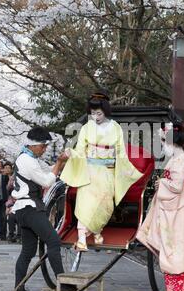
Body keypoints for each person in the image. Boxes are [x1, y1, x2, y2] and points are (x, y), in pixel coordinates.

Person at [60, 91, 143, 251]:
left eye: (98, 113)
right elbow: (80, 149)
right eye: (92, 113)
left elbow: (121, 153)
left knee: (104, 205)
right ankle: (82, 238)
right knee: (85, 203)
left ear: (105, 111)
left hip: (107, 170)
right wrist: (72, 153)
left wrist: (126, 170)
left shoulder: (116, 128)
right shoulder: (86, 127)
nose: (95, 116)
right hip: (89, 171)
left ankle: (96, 230)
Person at [136, 111, 184, 291]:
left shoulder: (178, 161)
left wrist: (161, 183)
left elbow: (175, 187)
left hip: (176, 215)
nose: (162, 146)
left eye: (163, 141)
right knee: (172, 256)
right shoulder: (178, 160)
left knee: (176, 257)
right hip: (175, 214)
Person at [11, 126, 69, 291]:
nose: (44, 149)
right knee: (53, 240)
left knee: (27, 251)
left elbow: (47, 171)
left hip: (24, 209)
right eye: (43, 146)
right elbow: (46, 181)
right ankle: (64, 285)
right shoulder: (27, 161)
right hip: (30, 208)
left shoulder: (30, 158)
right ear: (34, 145)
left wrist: (60, 164)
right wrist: (58, 164)